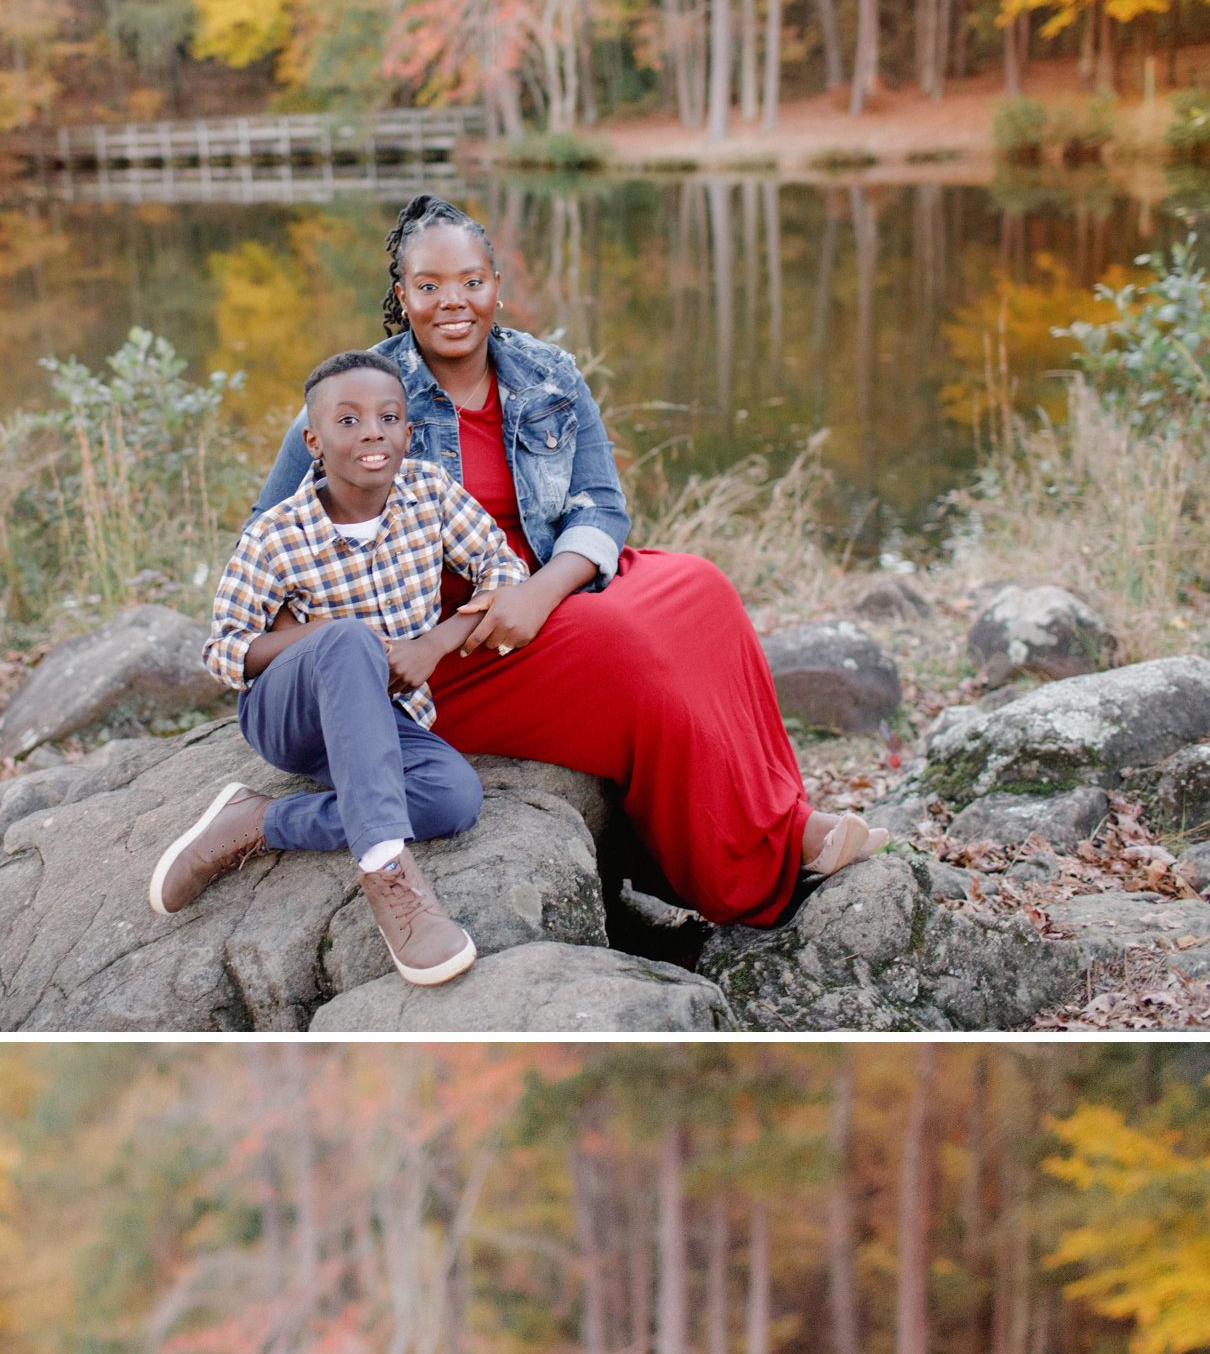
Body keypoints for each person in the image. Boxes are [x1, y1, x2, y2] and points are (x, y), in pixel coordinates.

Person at [251, 195, 871, 935]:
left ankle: (783, 815)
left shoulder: (546, 371)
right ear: (401, 296)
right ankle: (741, 867)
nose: (454, 302)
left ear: (496, 285)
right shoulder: (357, 398)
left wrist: (543, 591)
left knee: (702, 587)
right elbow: (265, 541)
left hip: (542, 586)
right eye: (429, 286)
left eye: (472, 281)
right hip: (446, 639)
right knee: (622, 649)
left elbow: (602, 508)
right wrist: (346, 642)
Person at [154, 350, 518, 985]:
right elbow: (224, 651)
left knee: (453, 799)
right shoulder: (278, 533)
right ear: (313, 442)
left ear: (408, 431)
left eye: (388, 417)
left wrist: (434, 644)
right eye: (347, 421)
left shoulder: (429, 493)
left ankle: (258, 823)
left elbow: (502, 568)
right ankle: (388, 875)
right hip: (293, 716)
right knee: (346, 640)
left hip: (380, 718)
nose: (372, 431)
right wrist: (319, 637)